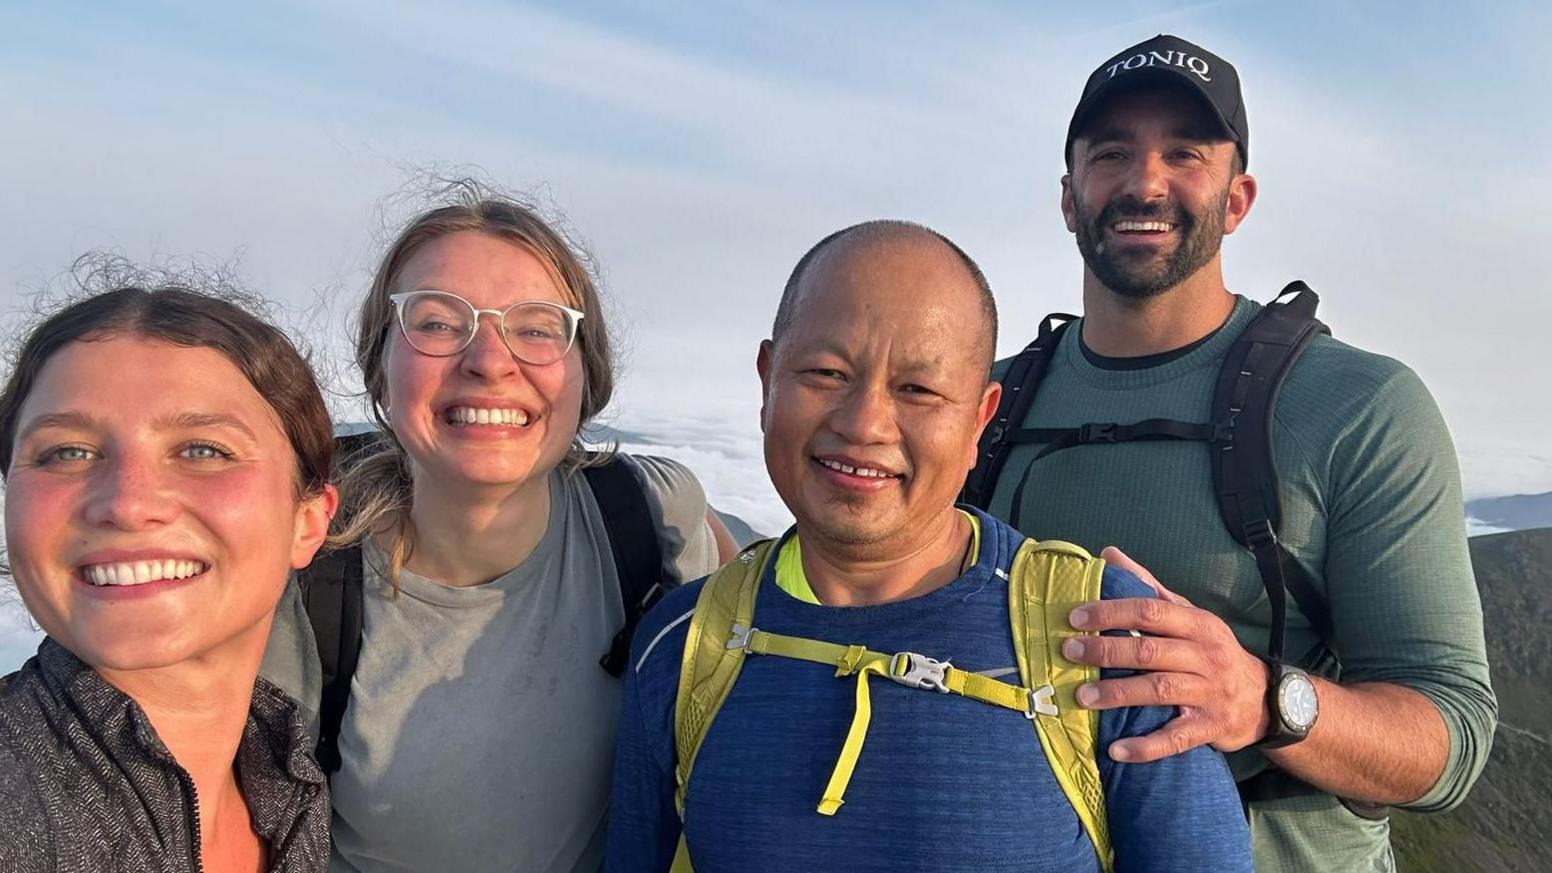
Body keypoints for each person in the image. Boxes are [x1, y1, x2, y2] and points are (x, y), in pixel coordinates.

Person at [965, 34, 1497, 872]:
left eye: (1185, 153)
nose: (1145, 182)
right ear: (1069, 197)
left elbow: (1452, 736)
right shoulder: (978, 406)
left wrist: (1262, 698)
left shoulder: (1359, 407)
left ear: (1238, 197)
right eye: (1112, 154)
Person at [606, 220, 1253, 873]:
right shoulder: (681, 646)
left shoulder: (1113, 641)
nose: (863, 423)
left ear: (979, 419)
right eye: (826, 372)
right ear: (768, 379)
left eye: (917, 389)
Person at [260, 185, 736, 873]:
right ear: (381, 375)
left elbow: (748, 592)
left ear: (585, 375)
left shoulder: (648, 517)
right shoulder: (301, 575)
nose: (488, 359)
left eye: (538, 327)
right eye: (436, 322)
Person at [0, 284, 337, 872]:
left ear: (308, 523)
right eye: (66, 453)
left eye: (203, 450)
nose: (128, 504)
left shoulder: (286, 781)